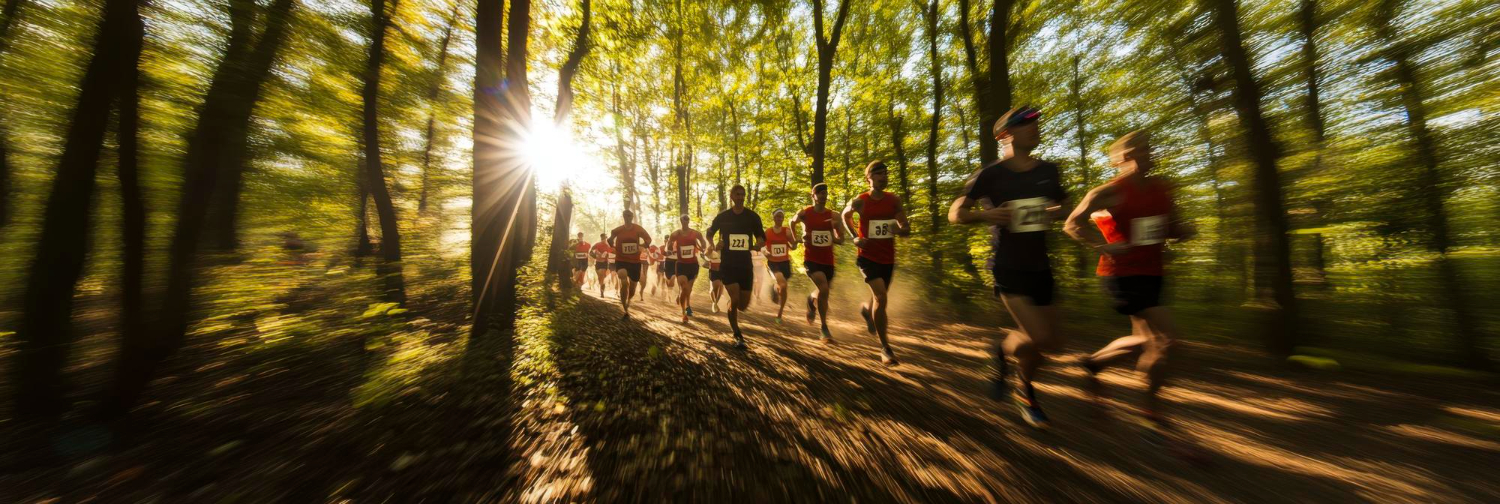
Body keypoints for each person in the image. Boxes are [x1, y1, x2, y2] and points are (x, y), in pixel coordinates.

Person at [1063, 130, 1195, 429]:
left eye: (1150, 148)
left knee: (1142, 341)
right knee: (1167, 339)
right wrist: (1102, 246)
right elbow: (1072, 224)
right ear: (1121, 158)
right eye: (1140, 149)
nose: (1149, 153)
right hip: (1121, 274)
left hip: (1154, 273)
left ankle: (1092, 364)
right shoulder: (1107, 192)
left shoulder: (1163, 189)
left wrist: (1183, 231)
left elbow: (1171, 227)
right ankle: (1151, 410)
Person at [948, 106, 1068, 429]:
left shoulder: (1049, 171)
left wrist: (1051, 212)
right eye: (1026, 123)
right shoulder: (991, 174)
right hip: (1008, 266)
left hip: (1041, 266)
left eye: (1037, 122)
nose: (1035, 127)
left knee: (1052, 343)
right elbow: (956, 213)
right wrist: (985, 215)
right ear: (1006, 135)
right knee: (1038, 336)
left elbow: (1064, 206)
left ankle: (1002, 350)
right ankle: (1025, 392)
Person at [842, 161, 911, 366]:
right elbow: (845, 216)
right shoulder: (860, 201)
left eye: (885, 173)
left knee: (878, 298)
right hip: (867, 257)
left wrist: (901, 230)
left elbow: (905, 227)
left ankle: (866, 310)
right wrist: (855, 237)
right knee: (881, 297)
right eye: (878, 173)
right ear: (869, 178)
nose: (883, 177)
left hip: (887, 258)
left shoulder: (893, 200)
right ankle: (885, 348)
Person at [706, 185, 765, 350]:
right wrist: (713, 244)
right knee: (735, 298)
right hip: (728, 264)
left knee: (742, 306)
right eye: (737, 194)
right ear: (731, 196)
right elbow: (709, 232)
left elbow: (761, 237)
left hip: (745, 265)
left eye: (742, 195)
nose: (740, 197)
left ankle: (731, 307)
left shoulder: (752, 217)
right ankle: (737, 334)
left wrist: (758, 244)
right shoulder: (723, 217)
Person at [792, 183, 844, 342]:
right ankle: (824, 328)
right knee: (824, 288)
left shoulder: (834, 216)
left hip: (828, 261)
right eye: (820, 193)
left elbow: (841, 239)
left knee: (824, 290)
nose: (823, 195)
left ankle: (811, 299)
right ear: (813, 196)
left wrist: (833, 238)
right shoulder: (805, 213)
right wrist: (796, 239)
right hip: (811, 259)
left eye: (825, 193)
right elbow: (792, 222)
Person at [608, 210, 652, 319]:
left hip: (635, 262)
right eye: (625, 215)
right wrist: (614, 247)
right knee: (623, 280)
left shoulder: (638, 229)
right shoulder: (617, 230)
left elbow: (648, 239)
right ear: (623, 217)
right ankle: (625, 309)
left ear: (632, 217)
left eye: (629, 216)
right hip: (621, 260)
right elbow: (610, 240)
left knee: (632, 288)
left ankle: (628, 300)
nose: (627, 217)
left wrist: (642, 246)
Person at [669, 215, 706, 322]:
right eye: (684, 219)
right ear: (681, 221)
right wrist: (670, 247)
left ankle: (684, 300)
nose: (686, 221)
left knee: (688, 290)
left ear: (689, 221)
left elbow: (703, 241)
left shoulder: (695, 233)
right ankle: (683, 313)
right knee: (685, 288)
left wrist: (703, 247)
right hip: (681, 265)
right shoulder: (676, 234)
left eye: (687, 219)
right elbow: (669, 244)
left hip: (693, 265)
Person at [762, 209, 797, 323]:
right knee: (783, 284)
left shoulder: (787, 231)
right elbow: (762, 246)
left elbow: (793, 246)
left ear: (783, 218)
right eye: (777, 216)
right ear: (774, 218)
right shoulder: (768, 232)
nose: (779, 219)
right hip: (773, 263)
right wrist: (765, 252)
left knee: (783, 287)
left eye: (781, 217)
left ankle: (774, 288)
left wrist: (795, 242)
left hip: (785, 263)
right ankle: (780, 314)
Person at [590, 233, 613, 297]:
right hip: (598, 263)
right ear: (601, 238)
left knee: (602, 276)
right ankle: (602, 286)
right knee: (600, 278)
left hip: (604, 263)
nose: (604, 239)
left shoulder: (608, 246)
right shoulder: (597, 244)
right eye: (602, 238)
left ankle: (602, 292)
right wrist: (595, 255)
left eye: (605, 238)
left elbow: (612, 253)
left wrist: (607, 254)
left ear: (606, 238)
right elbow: (591, 252)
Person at [704, 248, 724, 312]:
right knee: (714, 288)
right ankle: (714, 302)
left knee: (721, 287)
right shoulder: (712, 246)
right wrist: (710, 249)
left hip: (723, 269)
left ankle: (715, 303)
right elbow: (706, 254)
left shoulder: (725, 247)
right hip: (714, 270)